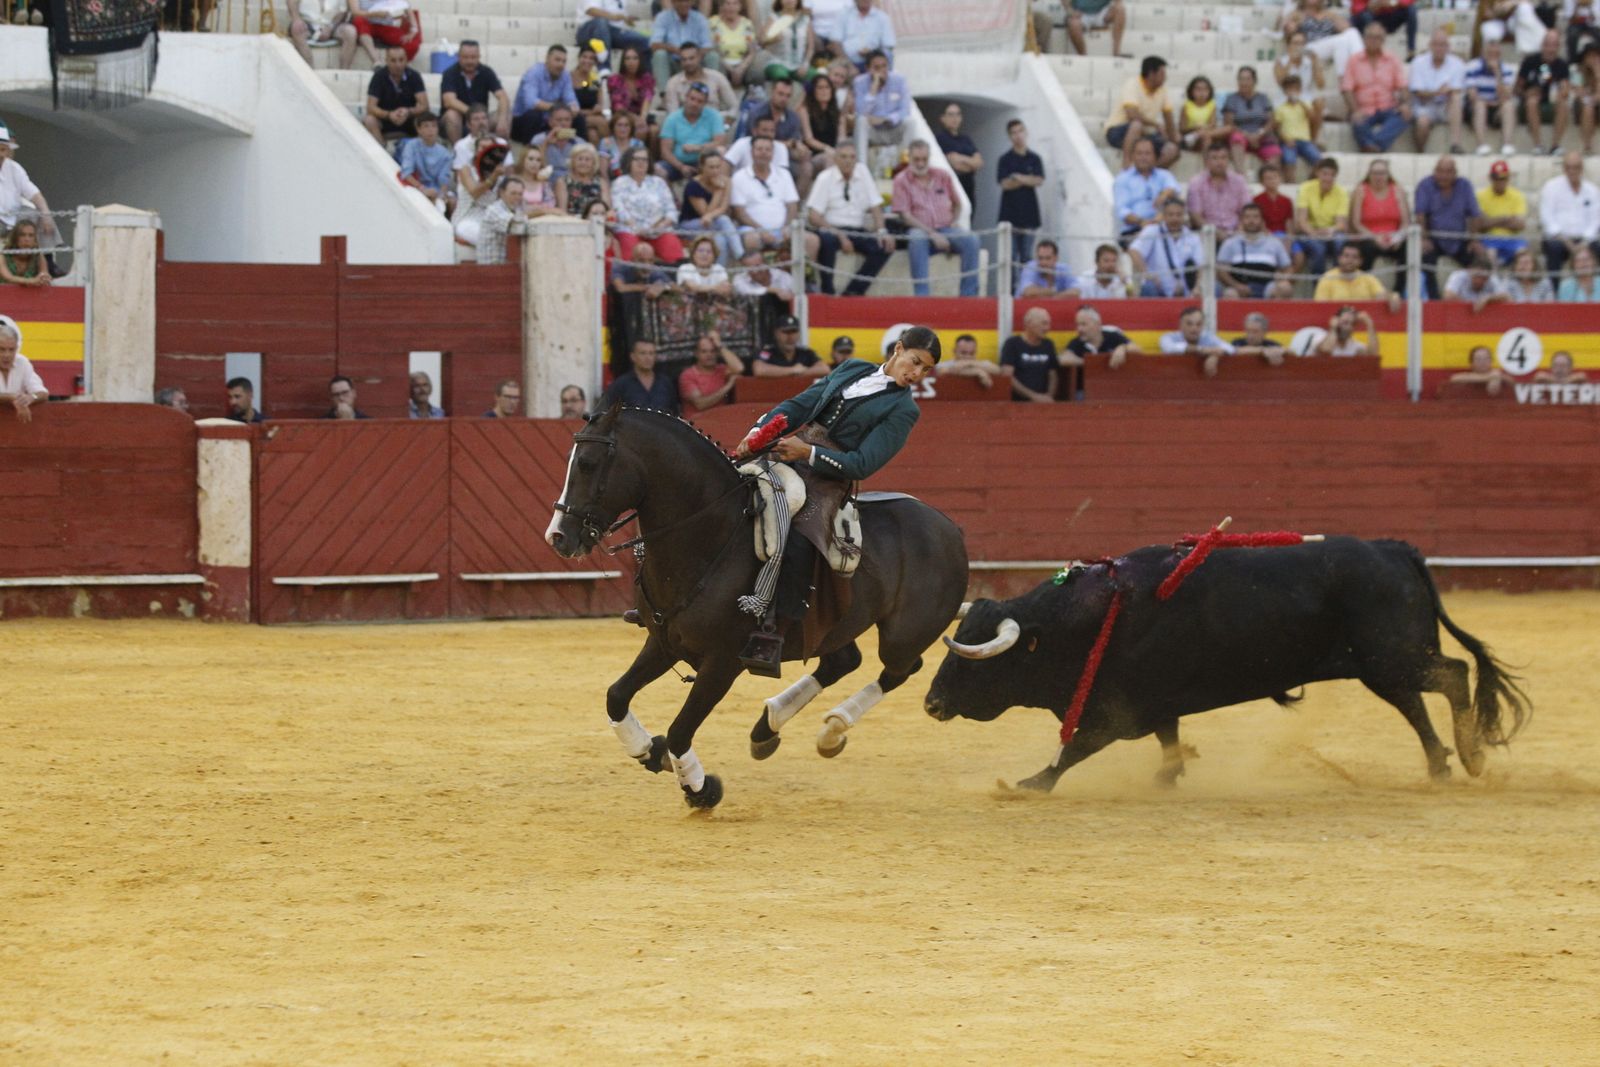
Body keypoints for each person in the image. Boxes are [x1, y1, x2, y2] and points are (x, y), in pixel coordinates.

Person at [730, 325, 942, 675]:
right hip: (788, 451)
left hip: (827, 478)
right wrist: (760, 432)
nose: (916, 374)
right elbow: (801, 405)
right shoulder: (852, 368)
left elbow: (864, 463)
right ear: (899, 349)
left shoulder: (904, 410)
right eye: (915, 362)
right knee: (726, 489)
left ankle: (774, 631)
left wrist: (807, 451)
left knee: (800, 536)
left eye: (925, 370)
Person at [893, 140, 981, 298]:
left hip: (946, 227)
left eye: (924, 159)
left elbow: (957, 203)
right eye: (916, 159)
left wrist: (954, 221)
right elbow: (905, 216)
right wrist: (932, 234)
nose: (920, 163)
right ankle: (922, 295)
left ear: (929, 158)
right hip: (920, 229)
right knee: (916, 238)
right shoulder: (901, 180)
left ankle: (968, 295)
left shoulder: (942, 175)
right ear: (910, 159)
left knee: (972, 239)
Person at [804, 142, 892, 296]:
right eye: (843, 157)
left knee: (883, 247)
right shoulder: (825, 178)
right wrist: (839, 234)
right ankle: (827, 291)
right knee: (827, 241)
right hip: (831, 228)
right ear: (836, 159)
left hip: (856, 229)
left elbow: (876, 206)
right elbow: (814, 216)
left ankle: (853, 291)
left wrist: (882, 231)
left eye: (852, 157)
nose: (848, 161)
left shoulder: (862, 172)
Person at [1415, 155, 1482, 300]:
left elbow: (1474, 215)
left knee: (1481, 261)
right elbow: (1420, 215)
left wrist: (1474, 240)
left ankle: (1474, 299)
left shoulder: (1464, 185)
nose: (1443, 176)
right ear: (1434, 171)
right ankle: (1434, 300)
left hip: (1459, 238)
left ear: (1455, 173)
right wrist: (1424, 238)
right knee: (1424, 261)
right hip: (1434, 238)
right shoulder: (1425, 185)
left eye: (1448, 172)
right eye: (1440, 171)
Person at [1342, 22, 1409, 152]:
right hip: (1364, 109)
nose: (1374, 41)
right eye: (1370, 37)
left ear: (1383, 40)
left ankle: (1372, 145)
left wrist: (1405, 103)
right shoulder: (1354, 60)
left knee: (1404, 116)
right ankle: (1377, 145)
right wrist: (1355, 110)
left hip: (1388, 107)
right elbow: (1347, 89)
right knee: (1357, 122)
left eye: (1378, 37)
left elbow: (1403, 86)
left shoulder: (1392, 59)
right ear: (1364, 39)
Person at [1350, 157, 1411, 294]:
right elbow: (1356, 222)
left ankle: (1399, 291)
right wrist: (1375, 238)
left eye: (1382, 173)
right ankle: (1363, 290)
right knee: (1366, 249)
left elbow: (1406, 222)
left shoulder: (1397, 190)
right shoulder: (1361, 190)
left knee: (1408, 249)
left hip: (1393, 238)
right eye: (1375, 173)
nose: (1379, 177)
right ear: (1369, 174)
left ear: (1388, 174)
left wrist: (1397, 238)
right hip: (1369, 236)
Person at [1105, 56, 1180, 168]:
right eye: (1162, 74)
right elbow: (1132, 115)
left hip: (1145, 134)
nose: (1165, 78)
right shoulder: (1132, 84)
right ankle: (1126, 165)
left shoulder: (1162, 90)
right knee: (1136, 125)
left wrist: (1175, 141)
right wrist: (1156, 125)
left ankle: (1149, 171)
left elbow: (1168, 118)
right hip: (1118, 131)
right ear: (1151, 73)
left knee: (1172, 149)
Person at [731, 136, 800, 256]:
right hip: (752, 229)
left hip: (782, 228)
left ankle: (801, 275)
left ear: (773, 153)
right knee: (751, 239)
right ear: (751, 152)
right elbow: (740, 213)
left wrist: (786, 227)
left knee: (810, 240)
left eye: (768, 150)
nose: (764, 153)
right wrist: (761, 231)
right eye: (759, 149)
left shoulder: (784, 174)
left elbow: (792, 206)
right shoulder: (739, 177)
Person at [614, 148, 684, 263]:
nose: (641, 163)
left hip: (658, 230)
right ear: (628, 161)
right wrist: (636, 228)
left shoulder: (659, 182)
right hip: (630, 229)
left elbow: (671, 211)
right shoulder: (619, 183)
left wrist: (660, 226)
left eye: (644, 160)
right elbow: (619, 210)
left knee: (672, 248)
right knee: (629, 248)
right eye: (636, 159)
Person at [1538, 151, 1600, 275]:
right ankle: (1554, 291)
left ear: (1582, 168)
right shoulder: (1551, 187)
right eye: (1568, 167)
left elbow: (1596, 220)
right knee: (1554, 249)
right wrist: (1566, 242)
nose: (1572, 171)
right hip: (1559, 239)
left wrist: (1584, 243)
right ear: (1563, 168)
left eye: (1575, 167)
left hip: (1585, 239)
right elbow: (1547, 218)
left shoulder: (1592, 190)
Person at [1128, 198, 1204, 298]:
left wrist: (1197, 287)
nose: (1175, 219)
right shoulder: (1152, 231)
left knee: (1215, 289)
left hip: (1185, 291)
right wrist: (1147, 274)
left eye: (1178, 215)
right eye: (1171, 215)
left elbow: (1199, 265)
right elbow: (1134, 251)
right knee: (1148, 288)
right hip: (1158, 289)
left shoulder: (1193, 237)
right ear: (1164, 216)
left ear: (1184, 216)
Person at [438, 40, 510, 144]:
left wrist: (502, 119)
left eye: (473, 57)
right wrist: (474, 114)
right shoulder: (450, 73)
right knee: (452, 115)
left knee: (506, 114)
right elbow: (449, 101)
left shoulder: (487, 72)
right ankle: (458, 153)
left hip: (481, 119)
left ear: (479, 56)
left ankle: (501, 154)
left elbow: (502, 97)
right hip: (458, 121)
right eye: (466, 57)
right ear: (459, 57)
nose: (470, 61)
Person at [1407, 28, 1466, 154]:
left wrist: (1444, 92)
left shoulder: (1457, 64)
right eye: (1436, 44)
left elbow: (1457, 90)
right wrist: (1437, 92)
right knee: (1422, 122)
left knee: (1456, 98)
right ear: (1430, 46)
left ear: (1448, 47)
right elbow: (1418, 93)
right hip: (1425, 105)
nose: (1439, 48)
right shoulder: (1418, 62)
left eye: (1443, 45)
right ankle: (1420, 153)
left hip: (1446, 106)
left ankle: (1455, 144)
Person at [997, 119, 1045, 273]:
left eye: (1020, 131)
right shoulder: (1005, 160)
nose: (1018, 136)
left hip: (1029, 215)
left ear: (1026, 132)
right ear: (1009, 136)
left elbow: (1039, 180)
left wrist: (1018, 177)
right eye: (1014, 133)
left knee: (1026, 257)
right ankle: (1009, 292)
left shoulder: (1034, 158)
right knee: (1009, 258)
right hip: (1009, 215)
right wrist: (1027, 179)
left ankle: (1025, 291)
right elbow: (1004, 184)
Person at [1112, 136, 1182, 240]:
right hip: (1134, 229)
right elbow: (1122, 210)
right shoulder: (1123, 179)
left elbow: (1175, 189)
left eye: (1147, 153)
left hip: (1162, 227)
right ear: (1133, 156)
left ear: (1155, 156)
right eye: (1139, 153)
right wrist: (1142, 222)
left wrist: (1164, 194)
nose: (1143, 157)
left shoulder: (1164, 175)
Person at [1218, 203, 1294, 298]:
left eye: (1255, 217)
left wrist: (1282, 280)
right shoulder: (1230, 243)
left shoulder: (1274, 243)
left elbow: (1288, 268)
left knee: (1285, 288)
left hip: (1268, 288)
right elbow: (1221, 272)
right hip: (1239, 288)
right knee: (1230, 294)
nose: (1251, 221)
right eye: (1247, 217)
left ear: (1262, 221)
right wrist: (1236, 285)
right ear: (1241, 221)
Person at [657, 84, 728, 182]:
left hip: (705, 163)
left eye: (700, 101)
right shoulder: (672, 118)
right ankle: (671, 197)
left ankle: (720, 193)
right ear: (685, 98)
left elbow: (720, 142)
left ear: (705, 103)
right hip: (678, 163)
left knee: (721, 151)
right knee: (658, 169)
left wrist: (697, 148)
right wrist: (681, 166)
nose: (695, 104)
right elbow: (665, 151)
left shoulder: (714, 116)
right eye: (692, 99)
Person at [1516, 30, 1571, 156]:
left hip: (1551, 101)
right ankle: (1538, 145)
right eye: (1548, 45)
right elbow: (1517, 88)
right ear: (1542, 45)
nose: (1550, 49)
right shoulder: (1530, 62)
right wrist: (1526, 93)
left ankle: (1555, 145)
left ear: (1558, 47)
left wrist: (1563, 91)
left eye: (1554, 45)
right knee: (1532, 102)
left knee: (1563, 104)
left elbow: (1565, 87)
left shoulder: (1562, 65)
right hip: (1530, 102)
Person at [512, 45, 580, 145]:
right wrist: (557, 108)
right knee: (534, 115)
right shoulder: (534, 73)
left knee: (578, 119)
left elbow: (571, 100)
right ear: (547, 59)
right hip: (522, 122)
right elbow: (531, 102)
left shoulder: (565, 75)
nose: (561, 64)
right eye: (557, 60)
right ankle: (529, 153)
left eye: (564, 61)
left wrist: (573, 109)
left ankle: (579, 152)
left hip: (550, 122)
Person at [679, 151, 739, 264]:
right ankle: (740, 255)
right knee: (723, 220)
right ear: (702, 167)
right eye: (711, 167)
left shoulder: (726, 181)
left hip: (714, 221)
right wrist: (718, 191)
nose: (715, 171)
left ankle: (720, 272)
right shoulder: (693, 185)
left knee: (720, 238)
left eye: (718, 167)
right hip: (690, 224)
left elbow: (723, 208)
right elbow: (705, 214)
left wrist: (711, 216)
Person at [364, 45, 429, 147]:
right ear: (387, 61)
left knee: (426, 118)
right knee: (369, 120)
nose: (398, 64)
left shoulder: (414, 76)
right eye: (393, 61)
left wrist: (408, 112)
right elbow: (371, 107)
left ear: (406, 60)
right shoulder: (378, 77)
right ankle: (381, 151)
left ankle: (421, 151)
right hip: (385, 119)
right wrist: (389, 115)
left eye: (401, 60)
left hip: (409, 119)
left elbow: (424, 105)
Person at [1294, 156, 1348, 279]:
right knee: (1318, 248)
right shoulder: (1305, 188)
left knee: (1340, 242)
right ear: (1317, 173)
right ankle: (1319, 286)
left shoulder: (1341, 192)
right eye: (1325, 174)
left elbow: (1341, 223)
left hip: (1330, 232)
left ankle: (1337, 281)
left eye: (1332, 175)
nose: (1328, 178)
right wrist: (1314, 233)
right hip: (1309, 232)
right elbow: (1302, 220)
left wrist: (1330, 230)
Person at [1221, 66, 1281, 174]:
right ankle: (1241, 178)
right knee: (1236, 139)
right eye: (1241, 79)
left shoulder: (1263, 98)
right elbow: (1229, 123)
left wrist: (1259, 134)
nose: (1244, 82)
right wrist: (1248, 136)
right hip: (1241, 134)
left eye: (1247, 79)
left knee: (1274, 153)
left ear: (1254, 81)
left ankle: (1267, 181)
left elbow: (1270, 121)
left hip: (1261, 135)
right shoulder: (1231, 99)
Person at [1463, 37, 1517, 156]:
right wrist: (1489, 102)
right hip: (1476, 107)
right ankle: (1481, 145)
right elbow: (1473, 95)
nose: (1493, 56)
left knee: (1508, 105)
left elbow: (1506, 95)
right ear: (1483, 53)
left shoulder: (1507, 70)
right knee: (1480, 104)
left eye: (1496, 53)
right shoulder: (1472, 67)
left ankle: (1507, 144)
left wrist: (1497, 73)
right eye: (1490, 53)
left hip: (1497, 107)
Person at [650, 0, 721, 88]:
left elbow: (707, 46)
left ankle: (711, 91)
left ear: (692, 2)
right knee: (659, 54)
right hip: (674, 61)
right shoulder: (662, 17)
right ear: (673, 2)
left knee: (712, 56)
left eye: (686, 1)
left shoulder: (700, 18)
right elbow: (654, 44)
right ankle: (664, 94)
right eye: (680, 1)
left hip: (696, 62)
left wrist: (693, 56)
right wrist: (675, 50)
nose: (683, 4)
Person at [1187, 143, 1252, 237]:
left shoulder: (1239, 181)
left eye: (1223, 158)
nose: (1220, 162)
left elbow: (1246, 210)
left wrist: (1238, 231)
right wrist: (1217, 234)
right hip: (1208, 234)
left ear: (1228, 160)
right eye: (1215, 158)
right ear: (1206, 161)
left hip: (1236, 233)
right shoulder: (1196, 183)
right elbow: (1195, 216)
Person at [1314, 242, 1401, 311]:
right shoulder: (1327, 278)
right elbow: (1320, 308)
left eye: (1354, 257)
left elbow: (1381, 295)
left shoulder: (1368, 278)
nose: (1350, 260)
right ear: (1339, 258)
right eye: (1346, 256)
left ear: (1360, 261)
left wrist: (1392, 296)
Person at [1274, 32, 1326, 146]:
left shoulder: (1310, 61)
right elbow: (1280, 82)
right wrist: (1290, 62)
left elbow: (1321, 84)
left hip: (1304, 95)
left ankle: (1313, 140)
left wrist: (1316, 63)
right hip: (1286, 95)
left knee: (1319, 102)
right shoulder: (1281, 61)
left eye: (1302, 43)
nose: (1299, 46)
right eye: (1295, 43)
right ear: (1289, 46)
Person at [662, 43, 740, 120]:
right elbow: (672, 113)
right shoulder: (673, 82)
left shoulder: (717, 77)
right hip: (687, 125)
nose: (688, 63)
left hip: (714, 124)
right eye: (684, 59)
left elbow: (734, 106)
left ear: (700, 57)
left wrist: (728, 120)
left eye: (691, 58)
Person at [398, 112, 455, 213]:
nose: (430, 130)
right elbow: (406, 173)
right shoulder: (411, 146)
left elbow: (444, 179)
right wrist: (422, 189)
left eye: (434, 126)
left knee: (452, 202)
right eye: (426, 126)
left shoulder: (444, 153)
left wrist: (441, 196)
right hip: (415, 187)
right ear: (419, 130)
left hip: (436, 190)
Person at [603, 338, 679, 414]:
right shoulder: (621, 384)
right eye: (643, 353)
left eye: (651, 353)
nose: (648, 358)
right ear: (633, 356)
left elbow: (674, 413)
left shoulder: (665, 383)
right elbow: (610, 414)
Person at [1000, 307, 1058, 403]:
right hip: (1018, 403)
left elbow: (1053, 375)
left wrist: (1048, 396)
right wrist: (1034, 396)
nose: (1047, 328)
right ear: (1029, 323)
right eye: (1044, 323)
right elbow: (1007, 375)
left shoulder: (1048, 344)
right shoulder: (1012, 343)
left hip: (1043, 402)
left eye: (1048, 324)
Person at [1476, 160, 1528, 265]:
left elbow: (1520, 224)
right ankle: (1493, 280)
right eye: (1497, 178)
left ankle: (1521, 281)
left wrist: (1492, 220)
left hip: (1512, 238)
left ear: (1508, 178)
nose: (1500, 182)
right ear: (1490, 178)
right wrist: (1506, 219)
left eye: (1503, 178)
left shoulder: (1517, 195)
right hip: (1490, 237)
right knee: (1490, 253)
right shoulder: (1481, 196)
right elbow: (1481, 224)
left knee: (1523, 254)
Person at [853, 51, 910, 147]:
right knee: (861, 121)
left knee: (910, 121)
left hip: (892, 126)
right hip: (873, 129)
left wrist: (886, 119)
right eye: (876, 67)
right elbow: (861, 112)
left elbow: (905, 109)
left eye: (884, 66)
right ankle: (861, 160)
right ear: (868, 69)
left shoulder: (899, 80)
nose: (882, 70)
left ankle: (908, 158)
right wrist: (873, 89)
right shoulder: (860, 82)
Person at [678, 331, 746, 411]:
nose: (709, 355)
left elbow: (739, 368)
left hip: (721, 418)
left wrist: (719, 345)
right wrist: (728, 386)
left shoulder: (722, 369)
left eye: (713, 351)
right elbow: (700, 404)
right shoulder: (687, 375)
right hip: (696, 421)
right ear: (696, 354)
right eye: (704, 351)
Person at [1159, 306, 1234, 378]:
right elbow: (1169, 348)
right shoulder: (1169, 337)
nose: (1194, 328)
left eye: (1199, 324)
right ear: (1180, 325)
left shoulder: (1207, 337)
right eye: (1189, 324)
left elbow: (1230, 348)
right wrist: (1202, 350)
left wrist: (1215, 356)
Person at [1273, 75, 1323, 180]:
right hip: (1289, 142)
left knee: (1320, 162)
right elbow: (1276, 128)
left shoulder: (1305, 106)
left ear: (1300, 90)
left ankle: (1309, 182)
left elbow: (1313, 118)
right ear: (1285, 91)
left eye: (1295, 89)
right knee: (1289, 162)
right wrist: (1285, 140)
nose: (1292, 91)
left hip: (1305, 141)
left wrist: (1300, 102)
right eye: (1289, 89)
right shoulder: (1281, 108)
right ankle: (1290, 184)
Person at [935, 103, 983, 204]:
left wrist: (961, 158)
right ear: (943, 118)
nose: (955, 118)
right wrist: (971, 163)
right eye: (951, 115)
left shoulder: (966, 139)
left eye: (958, 114)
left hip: (969, 190)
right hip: (951, 192)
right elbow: (956, 165)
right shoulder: (941, 139)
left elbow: (979, 163)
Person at [1066, 305, 1140, 370]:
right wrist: (1090, 362)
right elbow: (1064, 358)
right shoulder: (1077, 342)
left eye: (1083, 324)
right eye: (1077, 325)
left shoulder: (1112, 336)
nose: (1079, 329)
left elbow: (1137, 349)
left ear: (1097, 324)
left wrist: (1123, 348)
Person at [0, 320, 47, 422]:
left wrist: (31, 398)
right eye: (2, 349)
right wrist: (12, 398)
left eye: (11, 350)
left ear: (16, 348)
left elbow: (43, 393)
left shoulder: (22, 362)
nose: (7, 355)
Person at [752, 315, 826, 377]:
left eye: (794, 332)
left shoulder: (806, 353)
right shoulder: (767, 353)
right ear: (776, 333)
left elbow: (824, 369)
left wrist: (803, 372)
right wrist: (792, 370)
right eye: (785, 332)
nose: (790, 337)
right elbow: (759, 369)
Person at [605, 46, 657, 135]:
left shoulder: (646, 78)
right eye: (627, 58)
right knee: (640, 131)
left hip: (641, 116)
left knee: (654, 130)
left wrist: (642, 118)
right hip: (622, 117)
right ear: (623, 62)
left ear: (640, 61)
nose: (631, 62)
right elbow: (618, 106)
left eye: (635, 58)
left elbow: (648, 98)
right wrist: (635, 119)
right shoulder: (615, 80)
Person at [476, 177, 526, 266]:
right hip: (490, 269)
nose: (517, 197)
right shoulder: (494, 209)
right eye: (513, 193)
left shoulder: (515, 210)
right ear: (502, 193)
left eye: (520, 194)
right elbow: (514, 221)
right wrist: (543, 212)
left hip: (501, 267)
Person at [577, 0, 651, 57]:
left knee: (647, 41)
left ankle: (645, 75)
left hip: (613, 32)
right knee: (601, 22)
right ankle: (604, 69)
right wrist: (613, 17)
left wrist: (626, 18)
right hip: (589, 30)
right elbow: (591, 10)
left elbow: (618, 14)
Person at [556, 142, 609, 220]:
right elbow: (562, 211)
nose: (583, 163)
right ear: (573, 162)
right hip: (572, 224)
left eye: (587, 160)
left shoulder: (601, 182)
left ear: (593, 163)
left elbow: (607, 209)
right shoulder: (562, 182)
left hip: (597, 223)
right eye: (580, 159)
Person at [711, 0, 758, 86]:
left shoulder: (747, 23)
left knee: (756, 73)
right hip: (722, 64)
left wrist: (740, 69)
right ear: (722, 6)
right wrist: (732, 70)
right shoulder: (713, 23)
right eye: (727, 3)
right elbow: (714, 51)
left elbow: (752, 52)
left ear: (740, 6)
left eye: (735, 3)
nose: (731, 7)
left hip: (742, 64)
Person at [837, 0, 896, 68]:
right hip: (848, 61)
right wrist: (849, 65)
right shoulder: (844, 15)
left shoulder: (882, 17)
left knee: (888, 54)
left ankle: (880, 77)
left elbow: (889, 45)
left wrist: (872, 52)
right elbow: (835, 42)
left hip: (874, 60)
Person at [532, 107, 582, 182]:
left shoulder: (580, 143)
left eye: (567, 120)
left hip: (571, 182)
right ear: (550, 122)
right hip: (545, 180)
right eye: (559, 120)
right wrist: (546, 143)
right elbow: (533, 165)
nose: (563, 123)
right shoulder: (538, 139)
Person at [1443, 256, 1512, 311]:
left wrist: (1488, 299)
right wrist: (1470, 306)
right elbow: (1448, 296)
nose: (1479, 281)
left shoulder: (1492, 279)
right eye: (1477, 276)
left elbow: (1507, 298)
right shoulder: (1459, 275)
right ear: (1470, 270)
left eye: (1484, 278)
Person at [1351, 0, 1418, 56]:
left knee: (1411, 10)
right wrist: (1370, 6)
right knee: (1362, 16)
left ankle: (1411, 50)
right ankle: (1373, 51)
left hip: (1393, 13)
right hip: (1373, 16)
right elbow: (1356, 7)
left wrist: (1394, 3)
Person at [1180, 76, 1227, 155]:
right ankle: (1208, 165)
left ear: (1209, 91)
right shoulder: (1187, 106)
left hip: (1206, 134)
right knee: (1205, 137)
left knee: (1208, 136)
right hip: (1192, 138)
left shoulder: (1212, 105)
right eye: (1198, 89)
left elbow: (1212, 124)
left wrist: (1203, 129)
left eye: (1205, 89)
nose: (1202, 93)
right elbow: (1182, 128)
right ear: (1191, 91)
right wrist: (1195, 128)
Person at [1, 219, 50, 287]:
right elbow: (8, 277)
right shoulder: (3, 256)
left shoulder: (38, 257)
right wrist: (32, 281)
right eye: (22, 235)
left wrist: (44, 278)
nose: (27, 239)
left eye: (31, 235)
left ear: (35, 239)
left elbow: (44, 275)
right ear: (15, 237)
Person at [1253, 161, 1296, 238]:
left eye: (1275, 177)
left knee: (1298, 250)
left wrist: (1289, 239)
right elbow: (1259, 222)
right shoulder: (1256, 200)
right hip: (1265, 236)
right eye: (1268, 178)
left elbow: (1289, 223)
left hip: (1284, 236)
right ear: (1261, 182)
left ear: (1280, 179)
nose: (1272, 181)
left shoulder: (1286, 200)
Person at [1314, 305, 1380, 356]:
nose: (1348, 327)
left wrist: (1369, 323)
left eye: (1351, 324)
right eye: (1345, 322)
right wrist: (1333, 328)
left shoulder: (1353, 345)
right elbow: (1326, 350)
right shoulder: (1320, 337)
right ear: (1336, 321)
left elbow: (1373, 354)